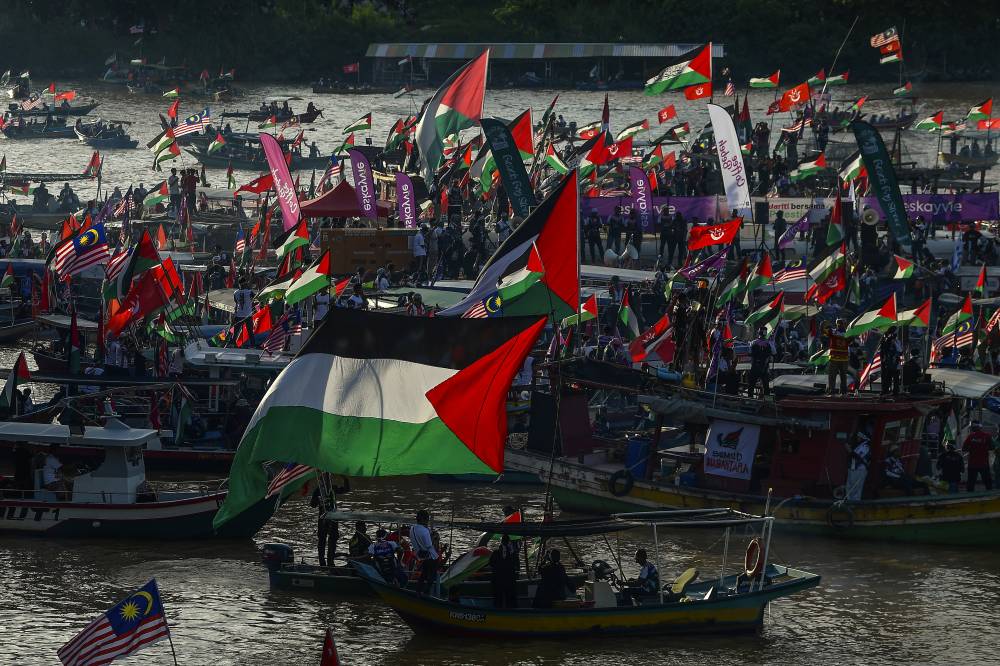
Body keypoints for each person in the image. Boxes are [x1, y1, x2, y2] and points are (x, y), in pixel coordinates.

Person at [410, 509, 438, 595]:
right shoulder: (425, 531)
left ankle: (418, 591)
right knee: (432, 575)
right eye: (427, 519)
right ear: (423, 519)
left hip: (420, 555)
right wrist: (434, 538)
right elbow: (429, 545)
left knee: (424, 574)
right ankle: (426, 591)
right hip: (430, 556)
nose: (428, 521)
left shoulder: (412, 528)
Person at [489, 534, 519, 608]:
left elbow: (491, 564)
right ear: (509, 542)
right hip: (508, 580)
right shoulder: (512, 554)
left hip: (498, 579)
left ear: (501, 542)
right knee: (509, 599)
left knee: (498, 600)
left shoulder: (496, 553)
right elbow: (516, 565)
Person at [962, 422, 994, 491]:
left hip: (972, 463)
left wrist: (972, 448)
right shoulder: (987, 436)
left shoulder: (970, 437)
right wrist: (984, 448)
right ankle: (990, 496)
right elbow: (992, 447)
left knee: (971, 482)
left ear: (973, 428)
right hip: (983, 463)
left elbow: (964, 448)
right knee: (987, 482)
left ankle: (969, 497)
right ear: (980, 428)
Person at [747, 328, 775, 397]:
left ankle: (749, 400)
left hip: (755, 367)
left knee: (751, 385)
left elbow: (749, 353)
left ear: (758, 333)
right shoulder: (769, 343)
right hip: (764, 368)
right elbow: (774, 352)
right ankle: (767, 402)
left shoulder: (753, 342)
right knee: (766, 386)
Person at [844, 431, 871, 501]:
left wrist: (849, 449)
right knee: (850, 487)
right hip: (853, 469)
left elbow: (857, 456)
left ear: (863, 438)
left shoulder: (865, 446)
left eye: (859, 437)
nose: (857, 438)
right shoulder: (859, 445)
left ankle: (855, 503)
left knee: (856, 488)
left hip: (860, 470)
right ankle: (849, 502)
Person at [827, 319, 849, 396]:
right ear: (836, 324)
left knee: (842, 376)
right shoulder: (833, 331)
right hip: (835, 358)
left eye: (841, 324)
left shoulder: (848, 333)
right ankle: (833, 392)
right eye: (838, 324)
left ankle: (843, 392)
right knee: (834, 375)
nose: (840, 325)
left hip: (842, 358)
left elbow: (852, 339)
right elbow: (824, 330)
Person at [879, 327, 902, 396]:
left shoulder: (897, 341)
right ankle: (885, 391)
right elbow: (884, 351)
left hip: (895, 362)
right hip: (888, 362)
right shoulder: (886, 340)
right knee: (887, 377)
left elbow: (900, 351)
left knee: (896, 378)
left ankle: (895, 391)